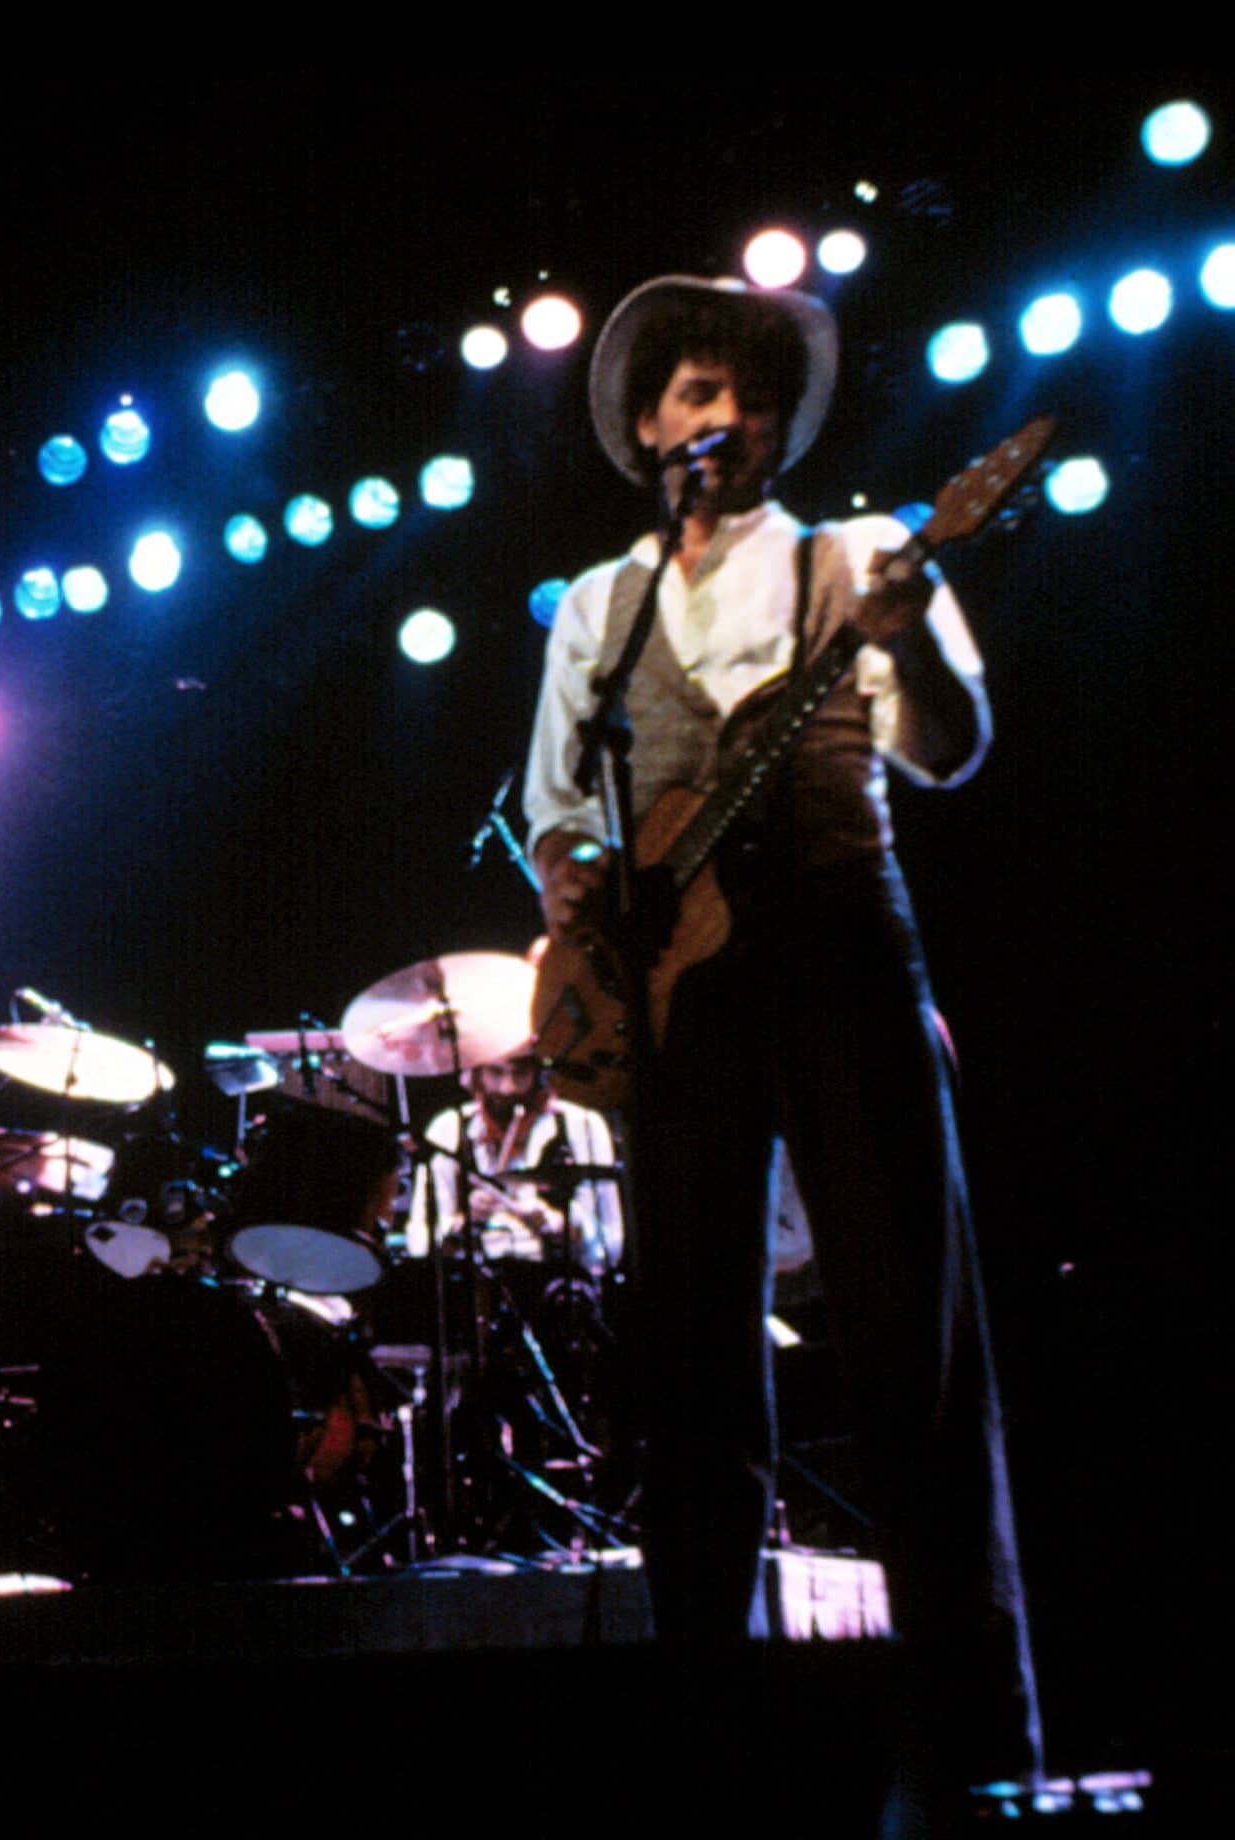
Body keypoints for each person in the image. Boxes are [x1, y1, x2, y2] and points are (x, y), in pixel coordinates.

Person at [522, 276, 1038, 1786]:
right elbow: (561, 815)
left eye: (745, 396)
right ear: (644, 428)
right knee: (689, 1371)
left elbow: (949, 749)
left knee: (909, 1348)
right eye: (694, 394)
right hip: (686, 997)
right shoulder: (598, 614)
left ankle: (976, 1746)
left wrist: (913, 642)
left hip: (837, 947)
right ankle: (712, 1749)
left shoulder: (864, 554)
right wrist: (597, 947)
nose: (726, 417)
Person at [410, 1050, 622, 1273]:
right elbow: (419, 1241)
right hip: (476, 1289)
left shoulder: (581, 1126)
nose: (507, 1087)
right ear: (477, 1073)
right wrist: (462, 1222)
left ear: (538, 1073)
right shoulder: (449, 1128)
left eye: (520, 1073)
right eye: (495, 1071)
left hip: (556, 1286)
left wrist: (567, 1226)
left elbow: (611, 1245)